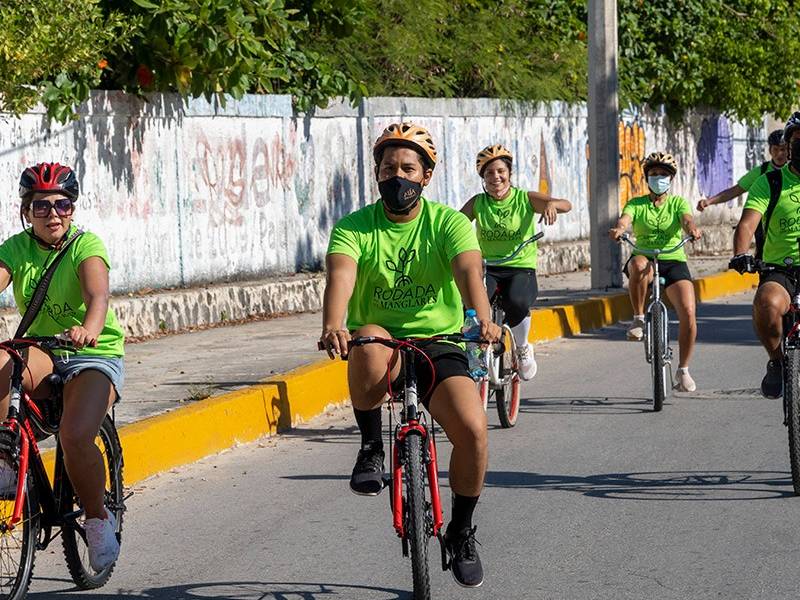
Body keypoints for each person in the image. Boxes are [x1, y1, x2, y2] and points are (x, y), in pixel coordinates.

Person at [320, 123, 501, 588]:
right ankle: (371, 446)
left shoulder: (449, 223)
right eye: (387, 168)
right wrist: (333, 325)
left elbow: (469, 272)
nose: (396, 176)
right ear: (377, 175)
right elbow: (340, 277)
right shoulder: (354, 226)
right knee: (369, 336)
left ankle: (460, 532)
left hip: (440, 345)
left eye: (407, 168)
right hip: (384, 350)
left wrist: (483, 319)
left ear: (425, 176)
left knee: (475, 432)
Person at [0, 163, 125, 571]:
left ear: (72, 209)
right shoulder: (15, 249)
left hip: (92, 353)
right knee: (2, 361)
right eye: (41, 206)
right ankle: (7, 460)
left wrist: (89, 328)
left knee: (74, 435)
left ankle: (97, 520)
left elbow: (98, 294)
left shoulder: (86, 245)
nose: (52, 213)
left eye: (62, 204)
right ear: (26, 210)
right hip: (44, 349)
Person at [459, 144, 572, 380]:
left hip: (520, 266)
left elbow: (565, 204)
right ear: (483, 178)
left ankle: (521, 348)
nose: (495, 177)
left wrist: (551, 204)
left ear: (509, 173)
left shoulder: (525, 198)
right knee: (470, 305)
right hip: (488, 268)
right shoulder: (478, 203)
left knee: (516, 301)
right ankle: (476, 355)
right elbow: (455, 223)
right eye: (489, 173)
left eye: (500, 171)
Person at [609, 152, 702, 392]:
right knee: (638, 265)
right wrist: (619, 229)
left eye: (663, 175)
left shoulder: (678, 203)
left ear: (671, 179)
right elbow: (625, 220)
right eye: (653, 174)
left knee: (689, 313)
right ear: (646, 178)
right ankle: (639, 318)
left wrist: (693, 229)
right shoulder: (637, 203)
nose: (658, 178)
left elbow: (687, 220)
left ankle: (683, 370)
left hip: (673, 260)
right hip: (645, 256)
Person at [730, 113, 800, 398]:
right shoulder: (769, 182)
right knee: (767, 304)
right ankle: (776, 361)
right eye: (798, 140)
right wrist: (740, 253)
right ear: (789, 145)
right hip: (780, 270)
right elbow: (747, 224)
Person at [697, 129, 787, 213]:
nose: (779, 153)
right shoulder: (760, 172)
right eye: (775, 149)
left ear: (789, 150)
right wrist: (709, 201)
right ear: (770, 150)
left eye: (783, 149)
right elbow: (734, 191)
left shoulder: (795, 171)